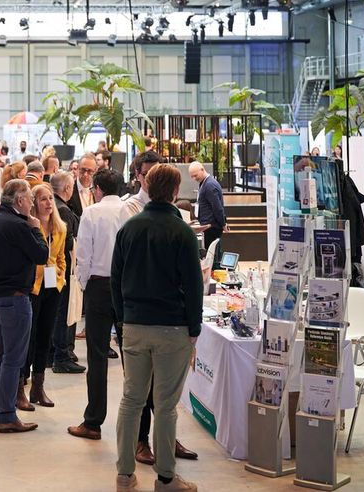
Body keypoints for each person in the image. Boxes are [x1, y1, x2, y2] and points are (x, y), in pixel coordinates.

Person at [113, 163, 203, 492]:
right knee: (165, 405)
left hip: (135, 325)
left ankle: (124, 475)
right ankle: (165, 478)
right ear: (175, 192)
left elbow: (115, 280)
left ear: (148, 188)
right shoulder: (182, 231)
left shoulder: (129, 228)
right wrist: (194, 327)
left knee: (131, 400)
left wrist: (123, 319)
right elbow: (193, 285)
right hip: (172, 328)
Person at [0, 179, 49, 433]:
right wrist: (36, 229)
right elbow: (42, 255)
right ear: (19, 200)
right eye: (30, 198)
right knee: (12, 359)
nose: (32, 203)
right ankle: (7, 415)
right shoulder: (20, 226)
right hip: (15, 299)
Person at [68, 169, 125, 442]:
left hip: (99, 286)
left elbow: (84, 253)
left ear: (98, 188)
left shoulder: (91, 213)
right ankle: (136, 428)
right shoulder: (130, 211)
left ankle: (93, 421)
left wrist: (84, 284)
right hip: (125, 287)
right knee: (131, 356)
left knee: (97, 355)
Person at [17, 184, 67, 411]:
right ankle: (19, 387)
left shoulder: (60, 227)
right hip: (32, 287)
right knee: (28, 337)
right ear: (34, 203)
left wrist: (60, 276)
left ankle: (38, 387)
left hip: (52, 286)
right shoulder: (28, 227)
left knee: (45, 336)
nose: (48, 203)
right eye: (43, 199)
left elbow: (61, 257)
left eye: (50, 199)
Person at [49, 171, 85, 374]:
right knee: (64, 311)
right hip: (63, 268)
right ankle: (61, 356)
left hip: (53, 268)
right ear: (67, 188)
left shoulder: (54, 205)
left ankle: (55, 353)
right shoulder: (63, 210)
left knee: (57, 309)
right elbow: (67, 242)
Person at [189, 161, 227, 266]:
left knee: (213, 258)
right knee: (211, 256)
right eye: (192, 176)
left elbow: (217, 208)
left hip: (211, 227)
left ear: (202, 169)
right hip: (208, 226)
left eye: (195, 175)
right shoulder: (205, 183)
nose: (194, 178)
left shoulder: (209, 185)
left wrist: (223, 223)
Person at [122, 151, 162, 221]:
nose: (152, 179)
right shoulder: (131, 206)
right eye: (146, 174)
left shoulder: (168, 203)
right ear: (137, 175)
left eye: (156, 174)